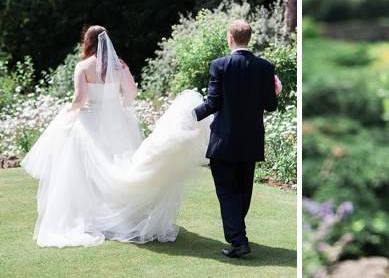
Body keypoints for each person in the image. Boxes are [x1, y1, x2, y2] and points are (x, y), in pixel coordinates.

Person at [22, 26, 211, 247]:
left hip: (89, 122)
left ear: (87, 42)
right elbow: (132, 93)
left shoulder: (83, 66)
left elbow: (80, 98)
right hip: (118, 124)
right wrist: (119, 107)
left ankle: (90, 215)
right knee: (116, 164)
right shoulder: (119, 66)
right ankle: (119, 215)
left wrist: (69, 109)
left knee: (86, 171)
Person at [193, 19, 279, 259]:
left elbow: (213, 103)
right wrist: (275, 91)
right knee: (242, 190)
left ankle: (238, 240)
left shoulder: (219, 65)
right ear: (249, 39)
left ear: (230, 38)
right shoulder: (265, 67)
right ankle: (237, 232)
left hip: (224, 140)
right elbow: (270, 106)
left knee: (228, 192)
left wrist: (190, 114)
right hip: (250, 141)